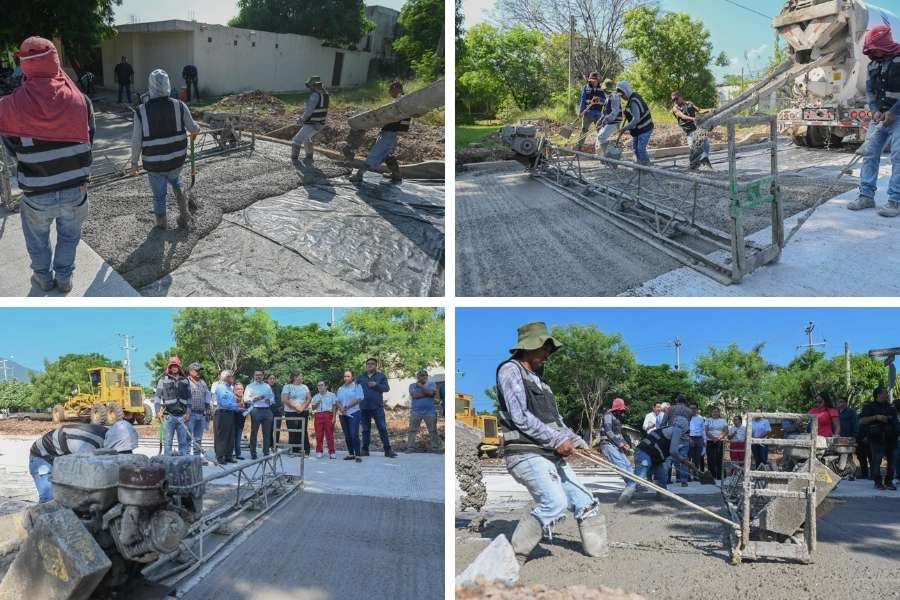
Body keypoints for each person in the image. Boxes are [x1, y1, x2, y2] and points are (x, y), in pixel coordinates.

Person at [496, 321, 606, 561]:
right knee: (555, 503)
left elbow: (557, 423)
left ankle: (599, 554)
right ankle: (513, 556)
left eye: (548, 350)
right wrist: (557, 440)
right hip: (526, 453)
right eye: (544, 349)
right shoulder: (510, 370)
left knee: (587, 503)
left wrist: (578, 442)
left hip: (550, 454)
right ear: (528, 347)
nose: (547, 354)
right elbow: (520, 417)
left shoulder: (542, 383)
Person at [0, 37, 95, 293]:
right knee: (69, 237)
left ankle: (43, 278)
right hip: (75, 189)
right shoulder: (81, 101)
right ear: (55, 61)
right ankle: (64, 278)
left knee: (37, 240)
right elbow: (90, 140)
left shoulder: (8, 108)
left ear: (25, 65)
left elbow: (12, 150)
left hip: (36, 193)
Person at [130, 69, 200, 229]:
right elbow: (194, 128)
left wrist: (134, 162)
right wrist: (196, 133)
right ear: (168, 85)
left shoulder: (141, 111)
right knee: (176, 181)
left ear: (150, 87)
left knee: (159, 195)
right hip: (176, 159)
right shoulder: (179, 106)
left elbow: (136, 141)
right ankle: (184, 216)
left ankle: (161, 224)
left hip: (154, 163)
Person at [850, 23, 900, 217]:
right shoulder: (873, 64)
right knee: (870, 154)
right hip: (880, 117)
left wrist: (895, 111)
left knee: (898, 157)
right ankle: (866, 196)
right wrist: (874, 110)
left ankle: (895, 201)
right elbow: (870, 91)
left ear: (885, 44)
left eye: (876, 48)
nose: (873, 52)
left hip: (899, 116)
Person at [29, 421, 138, 502]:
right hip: (43, 457)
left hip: (65, 456)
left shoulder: (112, 436)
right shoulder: (87, 445)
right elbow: (81, 474)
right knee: (50, 499)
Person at [617, 421, 692, 505]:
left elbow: (670, 451)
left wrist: (682, 459)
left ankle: (662, 495)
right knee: (639, 476)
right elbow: (673, 451)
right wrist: (683, 460)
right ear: (684, 428)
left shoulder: (667, 429)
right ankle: (623, 499)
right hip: (645, 453)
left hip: (653, 456)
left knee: (662, 476)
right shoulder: (677, 430)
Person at [349, 81, 408, 183]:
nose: (389, 93)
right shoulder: (402, 101)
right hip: (390, 131)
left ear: (395, 88)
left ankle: (359, 175)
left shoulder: (402, 101)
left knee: (375, 153)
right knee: (386, 155)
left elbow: (402, 117)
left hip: (390, 131)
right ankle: (396, 174)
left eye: (390, 90)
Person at [859, 386, 899, 490]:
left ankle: (888, 481)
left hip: (891, 438)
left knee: (892, 461)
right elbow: (862, 421)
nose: (887, 394)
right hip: (877, 438)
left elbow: (895, 422)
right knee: (876, 460)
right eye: (885, 393)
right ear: (878, 395)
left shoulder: (891, 407)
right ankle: (877, 482)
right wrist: (876, 417)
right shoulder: (869, 407)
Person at [356, 358, 398, 458]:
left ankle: (388, 450)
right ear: (366, 365)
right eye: (368, 364)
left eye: (372, 364)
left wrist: (376, 385)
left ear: (376, 365)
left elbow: (386, 388)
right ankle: (365, 450)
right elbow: (356, 390)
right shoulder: (361, 377)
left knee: (382, 428)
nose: (370, 365)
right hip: (364, 407)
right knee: (365, 430)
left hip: (377, 407)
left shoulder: (381, 376)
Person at [155, 356, 192, 456]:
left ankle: (183, 465)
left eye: (176, 366)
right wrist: (158, 410)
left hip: (182, 417)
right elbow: (157, 397)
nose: (174, 368)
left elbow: (189, 399)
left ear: (179, 367)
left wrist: (188, 413)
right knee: (167, 443)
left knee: (183, 443)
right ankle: (167, 465)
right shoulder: (163, 380)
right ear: (169, 367)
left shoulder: (185, 381)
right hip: (169, 417)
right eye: (172, 366)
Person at [291, 76, 329, 163]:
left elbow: (309, 111)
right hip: (321, 123)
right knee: (307, 138)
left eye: (310, 86)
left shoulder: (315, 95)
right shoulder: (325, 94)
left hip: (312, 123)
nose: (309, 88)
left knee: (296, 140)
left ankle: (294, 161)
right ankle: (309, 157)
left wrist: (301, 119)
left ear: (314, 86)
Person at [615, 81, 654, 166]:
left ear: (626, 91)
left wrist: (624, 129)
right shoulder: (632, 98)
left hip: (645, 128)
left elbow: (636, 120)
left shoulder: (633, 101)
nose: (622, 97)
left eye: (622, 95)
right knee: (635, 149)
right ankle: (639, 165)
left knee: (640, 149)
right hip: (638, 129)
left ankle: (647, 166)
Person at [671, 90, 712, 170]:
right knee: (693, 147)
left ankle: (704, 160)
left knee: (706, 144)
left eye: (676, 98)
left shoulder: (689, 103)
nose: (675, 101)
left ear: (681, 97)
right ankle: (695, 164)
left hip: (697, 128)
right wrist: (693, 119)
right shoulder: (675, 108)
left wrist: (709, 110)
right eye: (673, 100)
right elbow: (682, 116)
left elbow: (699, 110)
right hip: (689, 131)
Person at [600, 398, 633, 487]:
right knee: (621, 465)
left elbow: (619, 434)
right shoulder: (608, 416)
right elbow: (608, 432)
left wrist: (625, 443)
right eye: (620, 409)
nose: (622, 411)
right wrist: (619, 443)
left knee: (628, 465)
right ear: (616, 409)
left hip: (615, 444)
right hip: (607, 444)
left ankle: (634, 483)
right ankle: (631, 485)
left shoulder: (617, 418)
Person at [661, 394, 694, 486]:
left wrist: (663, 434)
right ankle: (684, 480)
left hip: (672, 436)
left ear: (677, 400)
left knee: (668, 458)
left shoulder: (670, 409)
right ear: (685, 401)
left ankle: (665, 479)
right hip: (685, 436)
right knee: (684, 458)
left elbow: (663, 423)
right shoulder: (689, 411)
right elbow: (687, 423)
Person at [407, 369, 441, 452]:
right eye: (422, 375)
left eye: (425, 375)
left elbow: (432, 393)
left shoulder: (432, 384)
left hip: (430, 412)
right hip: (416, 412)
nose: (424, 377)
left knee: (433, 431)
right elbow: (414, 396)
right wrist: (427, 393)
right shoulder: (412, 385)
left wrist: (421, 387)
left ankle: (435, 448)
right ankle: (410, 448)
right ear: (418, 377)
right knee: (412, 430)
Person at [245, 370, 274, 459]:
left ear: (263, 376)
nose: (258, 376)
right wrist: (255, 398)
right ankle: (253, 453)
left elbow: (273, 398)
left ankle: (266, 452)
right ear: (254, 376)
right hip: (255, 409)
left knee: (267, 433)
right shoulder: (249, 386)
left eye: (260, 375)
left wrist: (269, 400)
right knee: (254, 432)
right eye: (257, 375)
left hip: (267, 410)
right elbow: (246, 399)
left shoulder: (267, 386)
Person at [337, 369, 364, 462]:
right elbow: (337, 401)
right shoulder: (340, 388)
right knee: (347, 435)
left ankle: (358, 455)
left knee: (354, 434)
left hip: (354, 413)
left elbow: (359, 398)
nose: (346, 378)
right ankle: (351, 454)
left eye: (348, 376)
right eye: (345, 376)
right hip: (343, 414)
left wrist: (347, 407)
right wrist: (341, 409)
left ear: (352, 377)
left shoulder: (357, 386)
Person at [282, 372, 311, 456]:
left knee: (303, 431)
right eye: (299, 376)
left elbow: (309, 398)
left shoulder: (305, 387)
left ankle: (305, 450)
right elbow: (284, 399)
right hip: (291, 412)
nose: (301, 378)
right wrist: (296, 407)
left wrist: (302, 407)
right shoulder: (287, 386)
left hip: (303, 411)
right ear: (294, 377)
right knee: (293, 431)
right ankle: (293, 450)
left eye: (302, 376)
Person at [186, 362, 211, 458]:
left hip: (201, 414)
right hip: (190, 414)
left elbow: (207, 398)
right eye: (197, 370)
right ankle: (187, 457)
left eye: (200, 370)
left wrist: (208, 412)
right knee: (187, 437)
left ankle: (196, 458)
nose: (199, 372)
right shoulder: (186, 382)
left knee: (198, 438)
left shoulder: (203, 383)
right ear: (191, 371)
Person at [213, 370, 238, 464]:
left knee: (230, 436)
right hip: (222, 413)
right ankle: (220, 457)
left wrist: (238, 408)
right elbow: (223, 403)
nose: (233, 378)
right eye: (231, 376)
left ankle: (228, 456)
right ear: (227, 377)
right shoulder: (221, 387)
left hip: (230, 413)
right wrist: (236, 406)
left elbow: (232, 402)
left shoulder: (230, 388)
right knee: (222, 436)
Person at [595, 79, 622, 158]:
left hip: (614, 121)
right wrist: (600, 119)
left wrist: (605, 120)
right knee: (599, 137)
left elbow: (615, 111)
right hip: (610, 120)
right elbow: (606, 110)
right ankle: (604, 155)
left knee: (601, 137)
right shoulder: (608, 97)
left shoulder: (615, 96)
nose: (605, 92)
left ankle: (615, 153)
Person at [578, 72, 606, 150]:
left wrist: (599, 99)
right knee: (584, 130)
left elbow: (606, 101)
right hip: (587, 113)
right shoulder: (585, 88)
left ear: (598, 80)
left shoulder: (602, 89)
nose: (593, 81)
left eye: (595, 80)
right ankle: (579, 147)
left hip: (598, 114)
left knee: (600, 130)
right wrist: (581, 112)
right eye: (592, 80)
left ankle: (601, 147)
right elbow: (582, 101)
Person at [311, 381, 338, 459]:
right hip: (318, 415)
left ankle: (332, 452)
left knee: (329, 434)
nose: (320, 387)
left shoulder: (332, 395)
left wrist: (334, 417)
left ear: (326, 386)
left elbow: (334, 407)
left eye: (322, 385)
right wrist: (316, 404)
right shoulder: (316, 396)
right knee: (319, 434)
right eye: (318, 385)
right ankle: (319, 451)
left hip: (328, 414)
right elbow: (313, 408)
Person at [837, 397, 859, 480]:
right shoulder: (836, 413)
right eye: (839, 402)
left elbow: (855, 424)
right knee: (840, 456)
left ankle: (852, 474)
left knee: (848, 456)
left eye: (842, 402)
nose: (840, 404)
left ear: (846, 403)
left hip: (849, 437)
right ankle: (845, 473)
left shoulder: (851, 412)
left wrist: (855, 436)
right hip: (839, 438)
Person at [705, 406, 728, 481]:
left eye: (716, 411)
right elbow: (706, 430)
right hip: (710, 441)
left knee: (719, 458)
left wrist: (718, 438)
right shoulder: (708, 420)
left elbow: (726, 431)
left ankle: (719, 475)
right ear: (711, 413)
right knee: (710, 458)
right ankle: (712, 475)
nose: (715, 413)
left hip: (720, 441)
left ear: (719, 413)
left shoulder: (723, 420)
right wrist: (713, 438)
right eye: (713, 411)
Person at [688, 403, 706, 473]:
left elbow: (703, 430)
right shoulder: (687, 417)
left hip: (699, 438)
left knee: (697, 457)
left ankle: (696, 474)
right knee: (689, 457)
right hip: (689, 437)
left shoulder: (701, 418)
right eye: (691, 408)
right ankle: (688, 475)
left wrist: (704, 441)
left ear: (697, 409)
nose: (692, 410)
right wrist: (689, 438)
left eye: (694, 408)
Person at [268, 373, 283, 449]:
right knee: (269, 428)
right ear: (268, 380)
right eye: (270, 378)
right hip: (268, 411)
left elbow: (284, 397)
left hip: (278, 411)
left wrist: (282, 407)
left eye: (273, 378)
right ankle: (270, 445)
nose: (272, 380)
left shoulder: (280, 387)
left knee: (277, 428)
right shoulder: (265, 387)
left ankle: (276, 445)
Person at [233, 382, 247, 459]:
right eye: (238, 389)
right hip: (232, 422)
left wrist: (245, 410)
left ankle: (238, 454)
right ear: (234, 390)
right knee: (231, 438)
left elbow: (247, 410)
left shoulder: (245, 399)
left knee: (238, 438)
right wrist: (241, 409)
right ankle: (230, 454)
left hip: (241, 422)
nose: (240, 390)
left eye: (241, 389)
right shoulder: (232, 398)